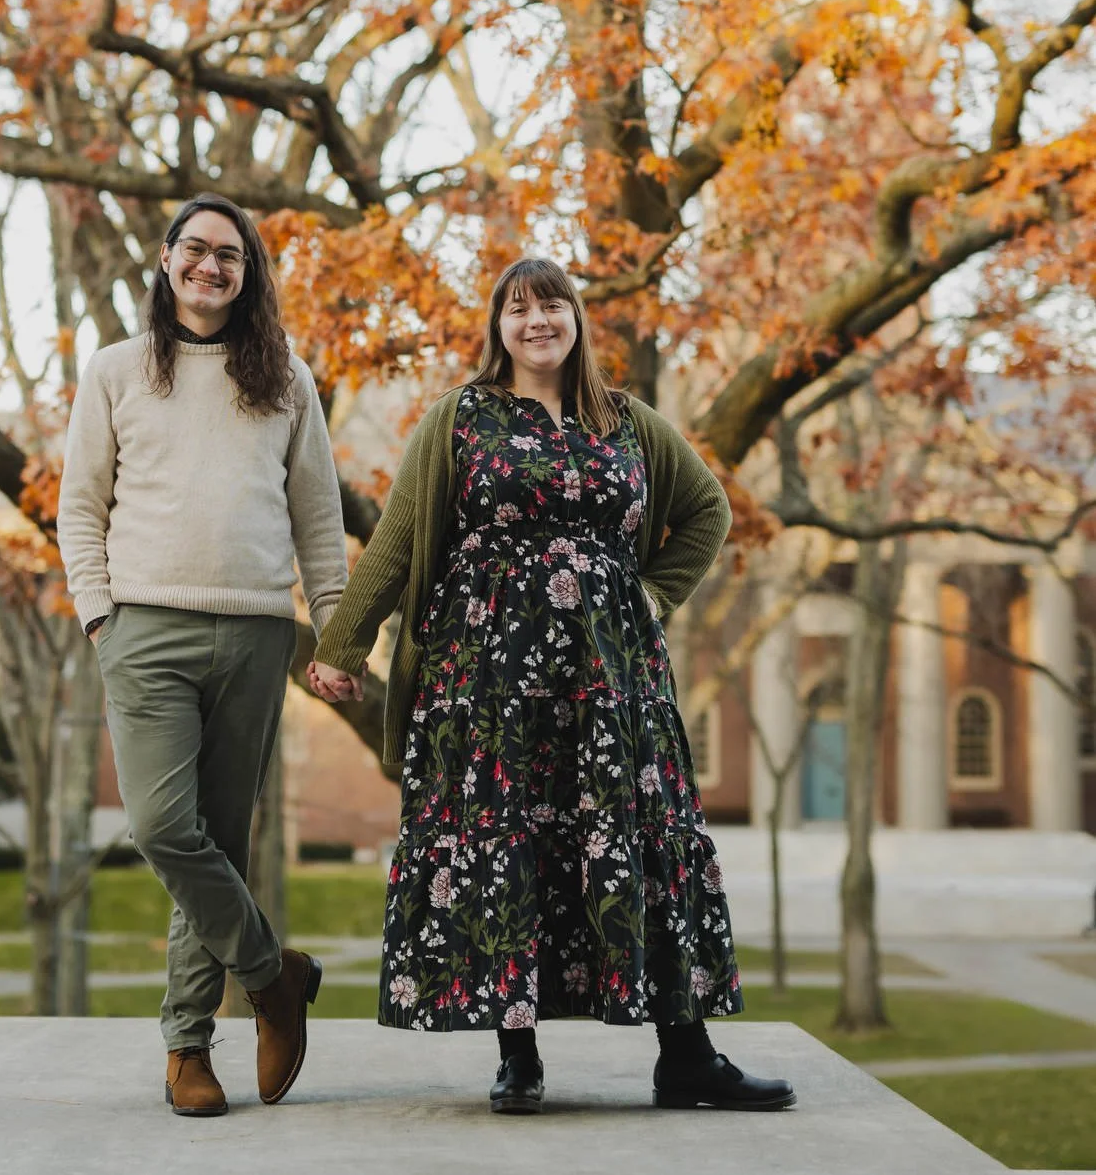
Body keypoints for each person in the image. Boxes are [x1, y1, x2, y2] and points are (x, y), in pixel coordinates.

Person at [309, 256, 794, 1115]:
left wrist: (649, 592)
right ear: (497, 327)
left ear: (578, 319)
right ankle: (518, 1057)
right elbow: (396, 540)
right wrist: (344, 644)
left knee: (636, 839)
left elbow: (708, 510)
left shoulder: (628, 421)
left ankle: (685, 1056)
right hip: (489, 677)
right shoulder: (462, 417)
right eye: (519, 308)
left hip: (611, 680)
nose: (538, 321)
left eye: (553, 305)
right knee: (508, 841)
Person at [58, 195, 345, 1118]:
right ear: (167, 258)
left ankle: (188, 1049)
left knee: (218, 842)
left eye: (230, 254)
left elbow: (318, 523)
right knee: (161, 829)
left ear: (249, 270)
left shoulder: (286, 378)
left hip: (257, 632)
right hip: (143, 631)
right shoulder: (115, 370)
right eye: (196, 249)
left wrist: (332, 630)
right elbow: (78, 505)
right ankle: (271, 977)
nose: (211, 266)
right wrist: (100, 614)